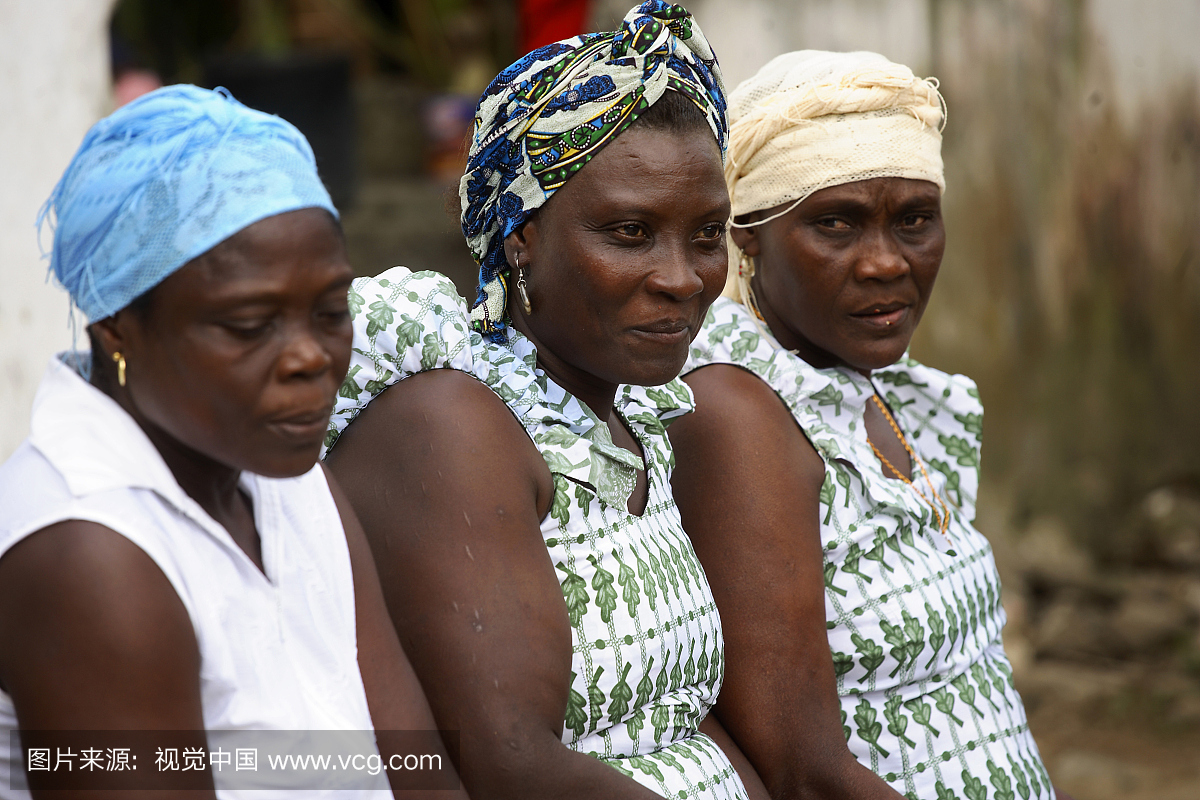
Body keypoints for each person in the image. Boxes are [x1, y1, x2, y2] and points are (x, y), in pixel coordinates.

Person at [323, 3, 766, 799]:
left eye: (707, 235)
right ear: (518, 235)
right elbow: (512, 765)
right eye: (630, 233)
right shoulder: (452, 426)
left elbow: (686, 721)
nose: (684, 277)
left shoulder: (635, 419)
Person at [0, 86, 466, 800]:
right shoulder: (90, 549)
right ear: (116, 326)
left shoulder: (277, 464)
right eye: (250, 324)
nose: (309, 357)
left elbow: (414, 772)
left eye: (330, 311)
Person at [669, 51, 1067, 800]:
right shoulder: (739, 411)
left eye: (914, 219)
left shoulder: (879, 392)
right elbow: (803, 771)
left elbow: (980, 697)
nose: (886, 263)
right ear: (747, 232)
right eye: (836, 224)